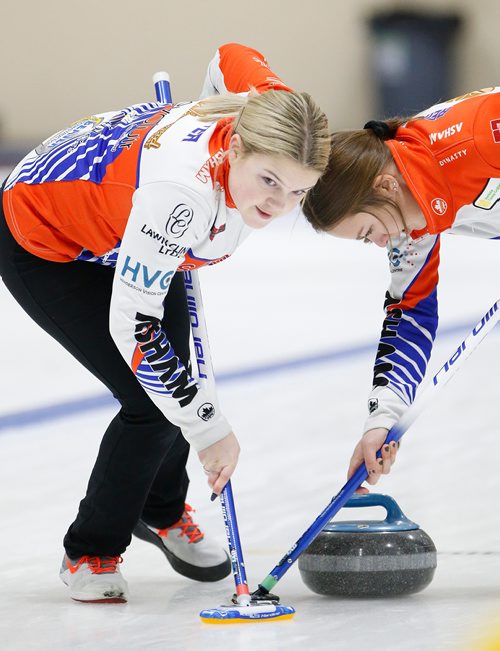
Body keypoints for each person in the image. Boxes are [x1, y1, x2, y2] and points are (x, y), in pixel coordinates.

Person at [0, 43, 330, 603]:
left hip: (130, 220)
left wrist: (211, 101)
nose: (278, 206)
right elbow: (134, 329)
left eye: (298, 191)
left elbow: (232, 53)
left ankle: (161, 509)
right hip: (44, 236)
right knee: (153, 400)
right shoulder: (181, 197)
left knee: (176, 384)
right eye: (269, 181)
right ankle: (90, 551)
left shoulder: (277, 111)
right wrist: (210, 429)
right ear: (239, 146)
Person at [302, 87, 500, 491]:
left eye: (368, 231)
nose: (379, 243)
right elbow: (410, 316)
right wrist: (382, 419)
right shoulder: (409, 216)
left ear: (386, 186)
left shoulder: (479, 137)